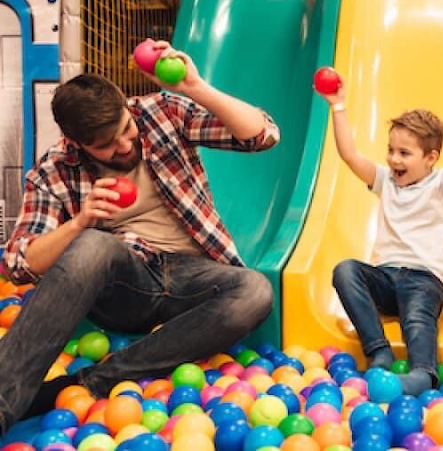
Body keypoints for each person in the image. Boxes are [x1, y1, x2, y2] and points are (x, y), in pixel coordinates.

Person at [0, 41, 280, 434]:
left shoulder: (161, 113)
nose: (126, 145)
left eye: (126, 130)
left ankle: (93, 382)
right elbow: (18, 263)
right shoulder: (53, 171)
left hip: (193, 276)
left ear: (127, 109)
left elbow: (263, 136)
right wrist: (79, 223)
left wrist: (194, 88)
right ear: (77, 143)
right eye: (107, 145)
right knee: (93, 245)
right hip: (125, 284)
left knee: (254, 290)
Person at [315, 76, 443, 396]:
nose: (394, 159)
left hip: (424, 279)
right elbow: (350, 155)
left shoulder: (440, 184)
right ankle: (378, 350)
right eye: (391, 150)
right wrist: (337, 106)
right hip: (384, 277)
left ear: (431, 158)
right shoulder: (385, 180)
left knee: (417, 320)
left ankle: (424, 371)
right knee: (345, 270)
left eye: (405, 153)